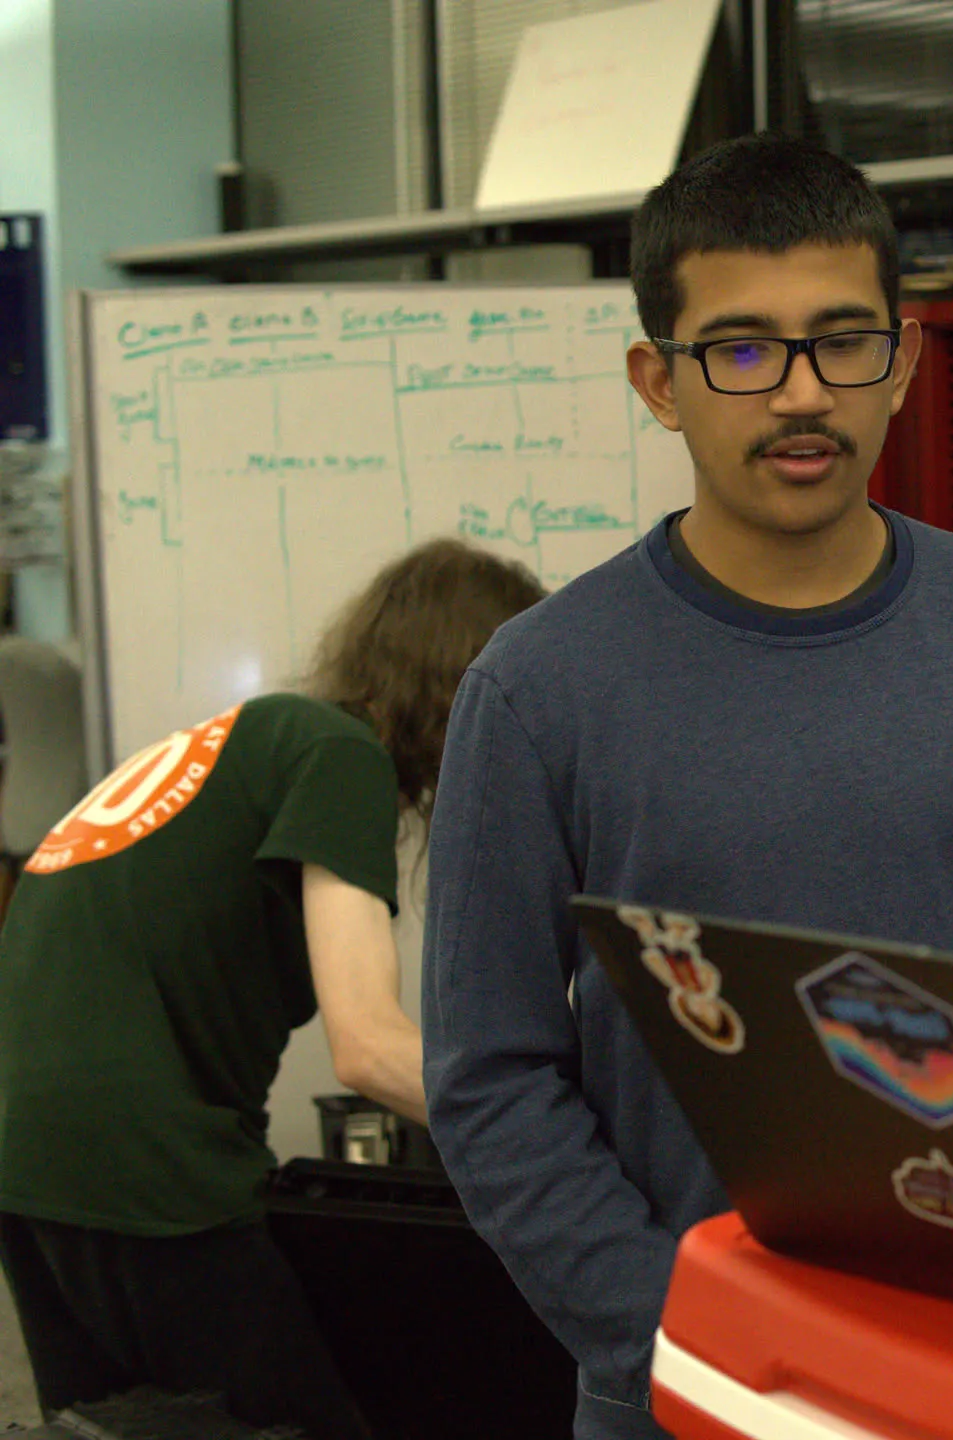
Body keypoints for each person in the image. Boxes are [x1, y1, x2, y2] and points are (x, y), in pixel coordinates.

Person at [422, 131, 953, 1440]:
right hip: (691, 1392)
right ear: (658, 381)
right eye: (741, 349)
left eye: (843, 340)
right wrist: (686, 1328)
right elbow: (491, 1078)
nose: (800, 394)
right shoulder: (539, 688)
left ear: (905, 359)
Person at [0, 538, 545, 1439]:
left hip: (27, 1150)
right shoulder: (340, 758)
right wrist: (561, 1129)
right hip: (136, 1152)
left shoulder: (247, 741)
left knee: (121, 1424)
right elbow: (368, 1047)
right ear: (466, 681)